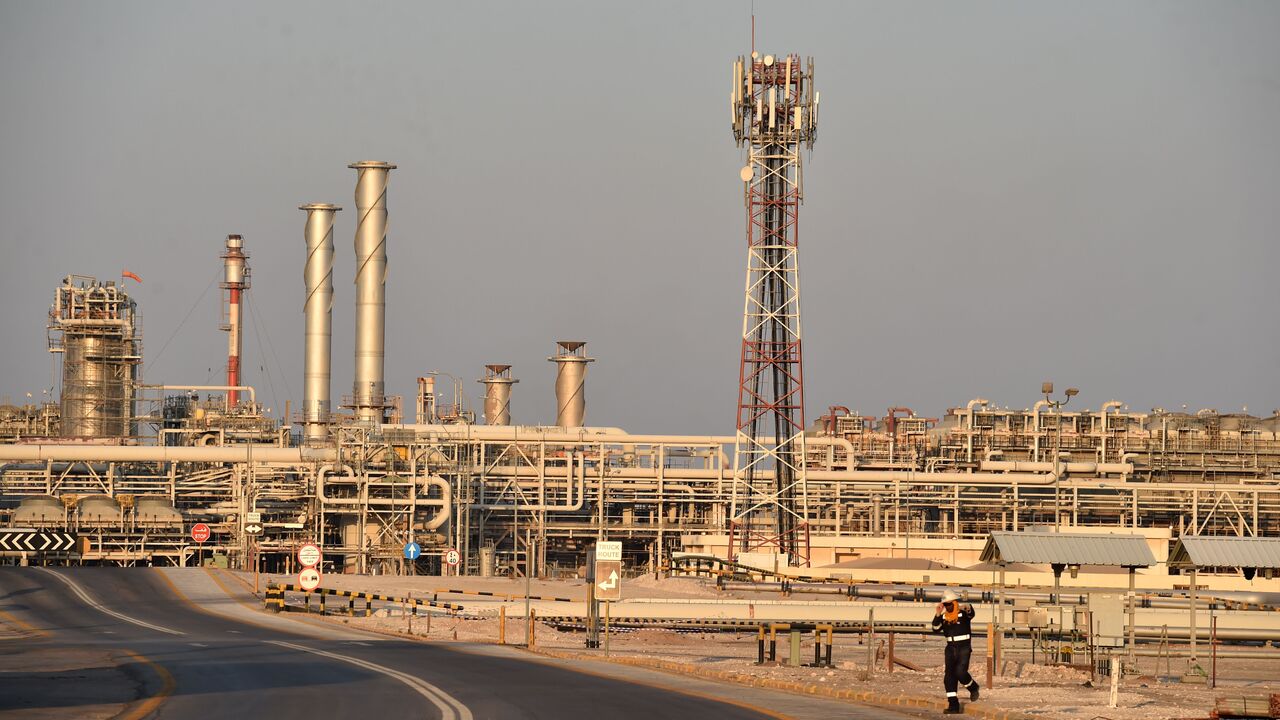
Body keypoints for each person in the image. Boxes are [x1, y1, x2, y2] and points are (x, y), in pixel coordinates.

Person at [932, 589, 979, 714]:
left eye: (949, 604)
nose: (947, 607)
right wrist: (937, 613)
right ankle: (953, 705)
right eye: (945, 605)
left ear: (954, 603)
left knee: (960, 672)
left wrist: (968, 606)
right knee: (949, 677)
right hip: (950, 648)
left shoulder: (963, 614)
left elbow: (971, 613)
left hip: (963, 647)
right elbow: (935, 628)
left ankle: (973, 687)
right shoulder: (944, 617)